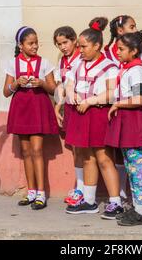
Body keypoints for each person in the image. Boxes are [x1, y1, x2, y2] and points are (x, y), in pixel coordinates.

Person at [64, 17, 122, 218]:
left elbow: (112, 93)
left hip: (98, 113)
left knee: (103, 158)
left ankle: (116, 202)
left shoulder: (109, 66)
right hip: (80, 113)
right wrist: (73, 95)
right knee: (87, 157)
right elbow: (69, 84)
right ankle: (89, 201)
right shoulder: (78, 63)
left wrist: (90, 100)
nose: (80, 50)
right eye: (79, 46)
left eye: (84, 46)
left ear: (97, 46)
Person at [3, 26, 59, 210]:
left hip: (38, 106)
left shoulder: (44, 63)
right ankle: (31, 191)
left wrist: (42, 83)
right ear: (21, 45)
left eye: (36, 42)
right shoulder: (13, 64)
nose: (35, 46)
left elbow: (53, 89)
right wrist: (15, 84)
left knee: (37, 150)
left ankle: (41, 194)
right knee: (25, 151)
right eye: (30, 43)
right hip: (21, 107)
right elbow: (5, 92)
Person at [105, 31, 142, 226]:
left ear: (134, 51)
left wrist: (117, 104)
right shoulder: (127, 68)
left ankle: (141, 212)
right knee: (130, 166)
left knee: (136, 169)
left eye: (121, 49)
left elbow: (138, 99)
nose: (117, 52)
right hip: (126, 121)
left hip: (134, 121)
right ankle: (136, 207)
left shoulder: (137, 70)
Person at [52, 26, 85, 206]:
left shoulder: (81, 58)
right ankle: (80, 187)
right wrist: (58, 106)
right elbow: (61, 86)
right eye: (59, 44)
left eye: (65, 42)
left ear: (74, 40)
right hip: (70, 108)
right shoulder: (62, 61)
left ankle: (87, 189)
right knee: (75, 148)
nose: (63, 47)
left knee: (85, 149)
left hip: (83, 106)